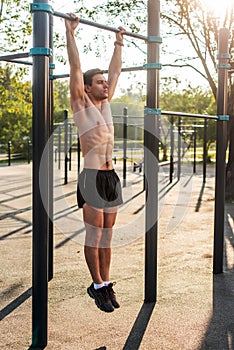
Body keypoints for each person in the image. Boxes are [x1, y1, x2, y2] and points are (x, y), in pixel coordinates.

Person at [65, 13, 125, 313]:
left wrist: (118, 42)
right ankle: (96, 284)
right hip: (91, 176)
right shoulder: (80, 102)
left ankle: (105, 282)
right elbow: (75, 67)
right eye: (100, 82)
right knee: (95, 232)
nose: (106, 85)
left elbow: (115, 71)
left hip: (111, 175)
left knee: (108, 233)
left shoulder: (105, 102)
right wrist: (70, 33)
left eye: (105, 82)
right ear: (87, 87)